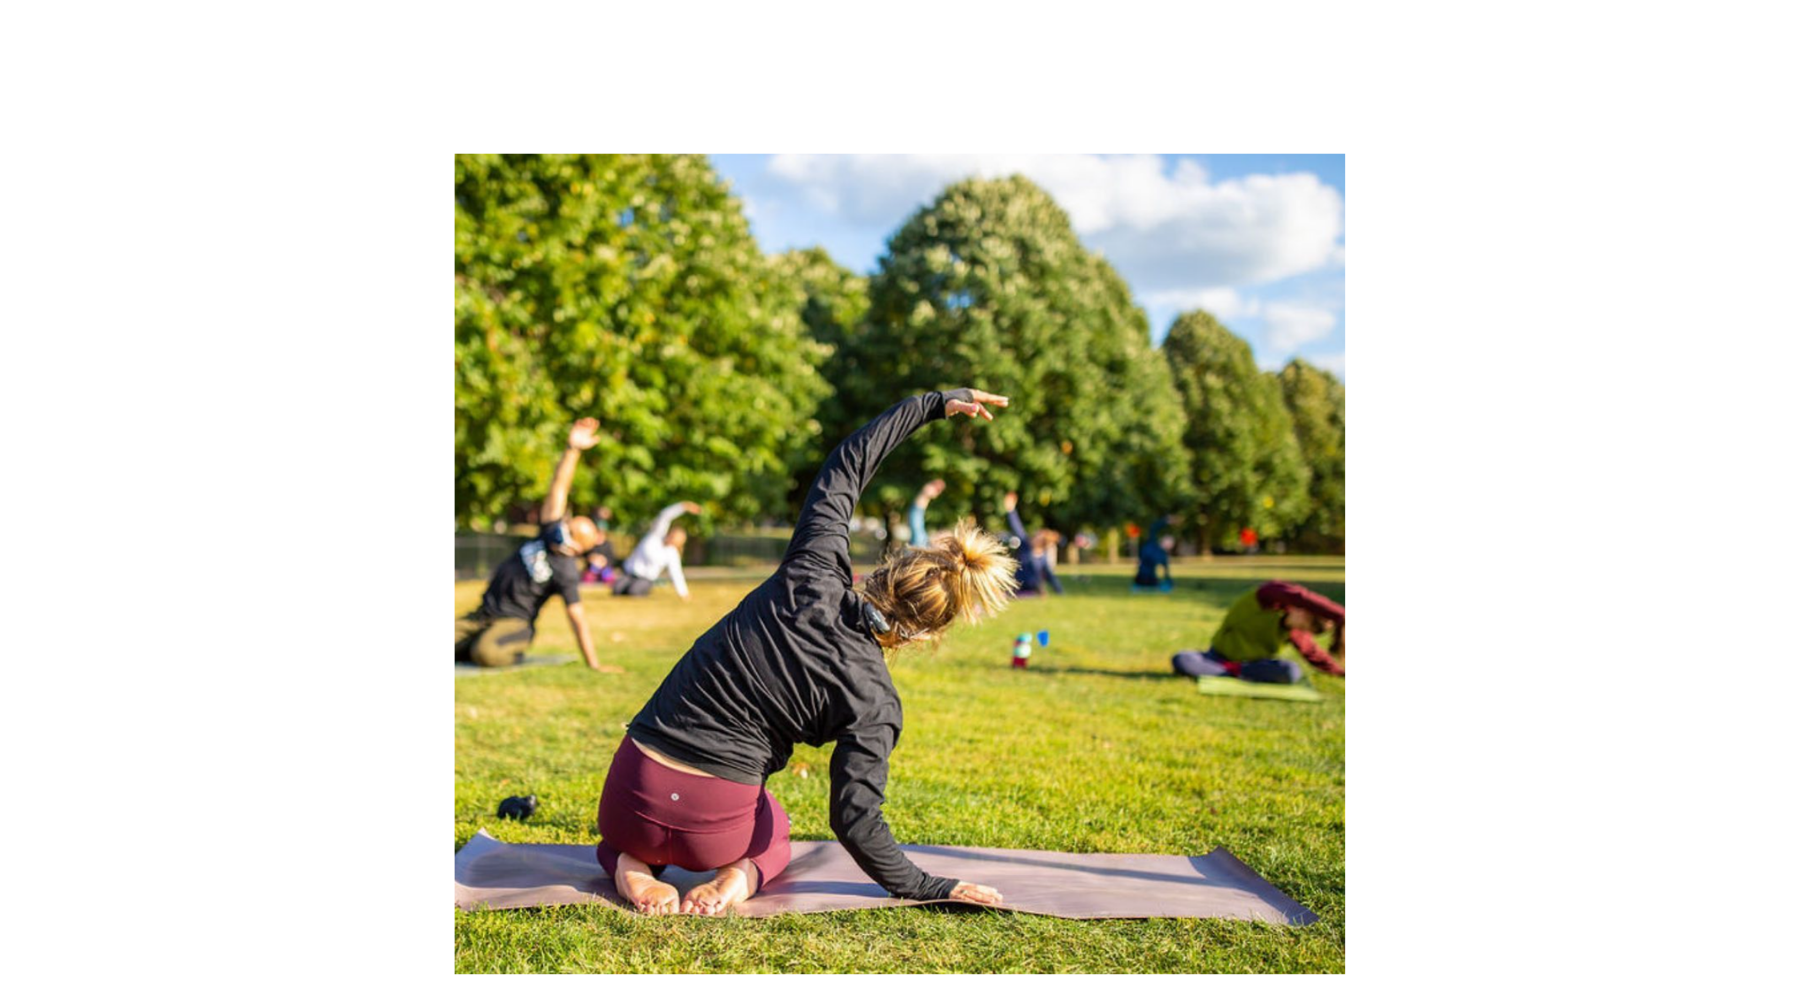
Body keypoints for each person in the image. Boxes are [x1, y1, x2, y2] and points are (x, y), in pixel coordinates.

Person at [594, 388, 1017, 916]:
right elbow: (854, 819)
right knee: (775, 831)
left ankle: (632, 870)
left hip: (630, 794)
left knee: (619, 840)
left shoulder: (810, 569)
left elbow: (848, 464)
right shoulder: (875, 701)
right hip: (714, 830)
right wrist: (927, 884)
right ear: (927, 634)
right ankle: (735, 879)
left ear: (888, 568)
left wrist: (932, 404)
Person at [455, 418, 617, 672]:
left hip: (514, 624)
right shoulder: (548, 530)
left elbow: (577, 618)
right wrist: (572, 449)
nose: (565, 527)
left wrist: (594, 663)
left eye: (572, 531)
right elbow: (559, 487)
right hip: (483, 614)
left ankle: (505, 652)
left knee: (485, 653)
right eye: (569, 523)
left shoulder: (567, 572)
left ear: (578, 547)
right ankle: (469, 644)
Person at [1171, 581, 1345, 683]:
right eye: (1305, 614)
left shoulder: (1295, 633)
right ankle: (1228, 672)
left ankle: (1233, 672)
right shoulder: (1265, 601)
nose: (1300, 619)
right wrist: (1341, 616)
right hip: (1217, 658)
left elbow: (1316, 657)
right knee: (1183, 659)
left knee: (1291, 671)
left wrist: (1343, 673)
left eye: (1305, 625)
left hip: (1254, 666)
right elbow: (1296, 594)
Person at [613, 501, 701, 599]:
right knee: (617, 590)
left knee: (633, 592)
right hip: (629, 573)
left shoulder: (671, 553)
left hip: (645, 578)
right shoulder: (656, 536)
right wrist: (683, 506)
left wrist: (683, 593)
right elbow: (665, 516)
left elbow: (676, 574)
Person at [1002, 491, 1063, 596]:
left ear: (1041, 542)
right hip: (1016, 588)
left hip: (1032, 591)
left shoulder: (1042, 558)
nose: (1033, 537)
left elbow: (1050, 576)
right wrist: (1011, 510)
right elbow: (1017, 527)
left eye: (1036, 537)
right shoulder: (1025, 546)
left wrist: (1060, 591)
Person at [1133, 515, 1177, 591]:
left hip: (1150, 578)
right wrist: (1165, 521)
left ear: (1170, 546)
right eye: (1167, 539)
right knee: (1148, 581)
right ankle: (1141, 586)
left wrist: (1170, 582)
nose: (1168, 541)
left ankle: (1144, 587)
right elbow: (1153, 528)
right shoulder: (1152, 542)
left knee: (1156, 584)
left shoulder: (1163, 556)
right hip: (1140, 576)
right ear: (1163, 539)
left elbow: (1166, 572)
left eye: (1170, 541)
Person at [908, 478, 945, 547]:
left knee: (918, 533)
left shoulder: (928, 487)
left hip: (918, 510)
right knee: (918, 534)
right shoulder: (929, 488)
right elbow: (930, 495)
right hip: (917, 510)